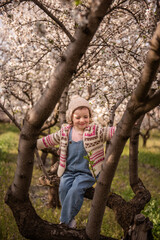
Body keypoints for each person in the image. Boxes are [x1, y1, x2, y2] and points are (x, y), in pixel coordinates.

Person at [37, 95, 116, 228]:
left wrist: (128, 126)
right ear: (71, 118)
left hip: (86, 173)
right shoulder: (65, 131)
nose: (82, 120)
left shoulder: (94, 131)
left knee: (75, 189)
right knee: (63, 188)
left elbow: (109, 132)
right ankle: (70, 218)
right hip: (68, 171)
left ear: (90, 117)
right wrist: (34, 144)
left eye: (85, 116)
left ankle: (64, 221)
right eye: (77, 117)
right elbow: (50, 139)